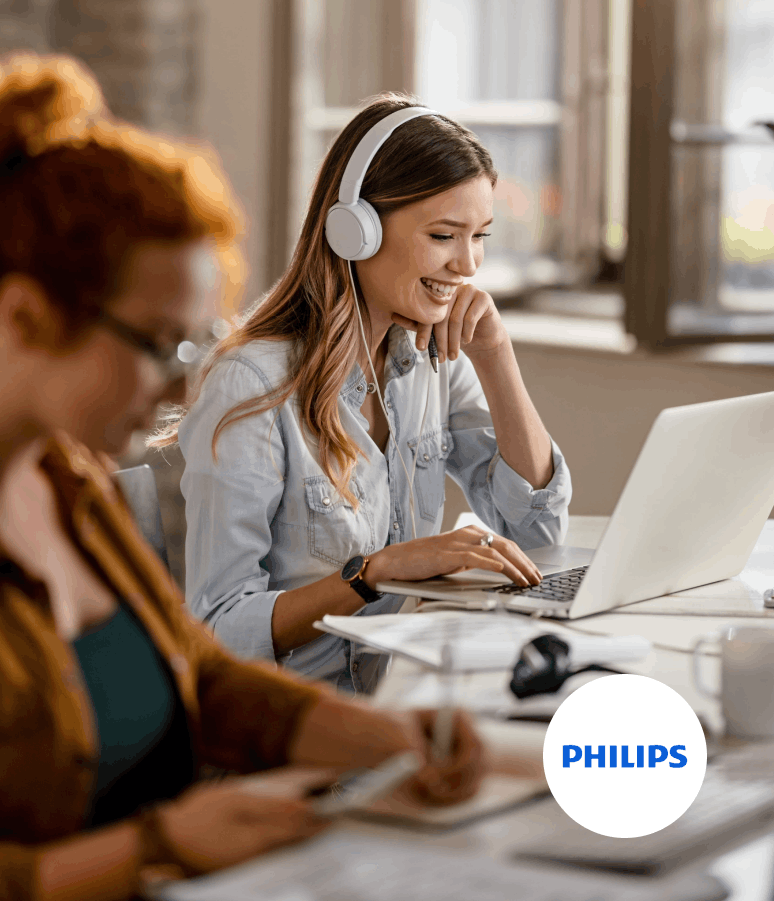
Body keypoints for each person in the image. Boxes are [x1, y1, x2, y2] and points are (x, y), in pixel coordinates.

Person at [0, 58, 485, 901]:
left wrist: (386, 736)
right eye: (160, 344)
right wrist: (153, 846)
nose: (184, 385)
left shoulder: (65, 483)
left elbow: (197, 671)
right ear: (24, 317)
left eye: (196, 342)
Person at [158, 94, 572, 693]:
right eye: (443, 235)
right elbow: (219, 630)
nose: (467, 264)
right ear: (355, 231)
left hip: (404, 691)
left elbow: (538, 530)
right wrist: (371, 575)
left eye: (479, 236)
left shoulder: (430, 357)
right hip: (304, 717)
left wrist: (495, 354)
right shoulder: (251, 385)